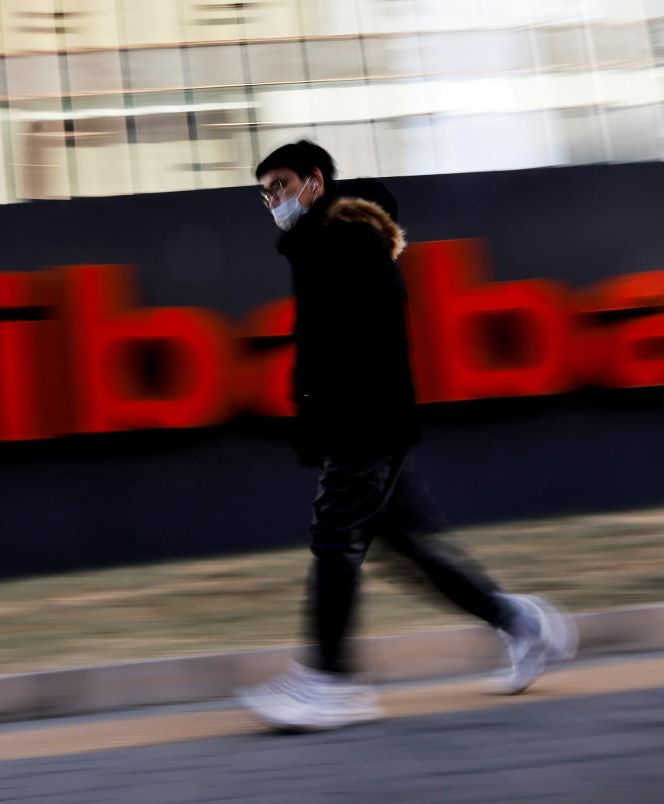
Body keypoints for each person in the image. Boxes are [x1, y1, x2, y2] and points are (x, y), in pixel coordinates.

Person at [238, 139, 575, 732]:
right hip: (364, 421)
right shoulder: (320, 246)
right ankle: (521, 623)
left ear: (315, 183)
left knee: (335, 540)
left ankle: (330, 681)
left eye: (282, 186)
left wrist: (344, 414)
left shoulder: (345, 242)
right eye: (266, 192)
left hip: (367, 422)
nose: (274, 200)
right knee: (407, 546)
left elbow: (370, 339)